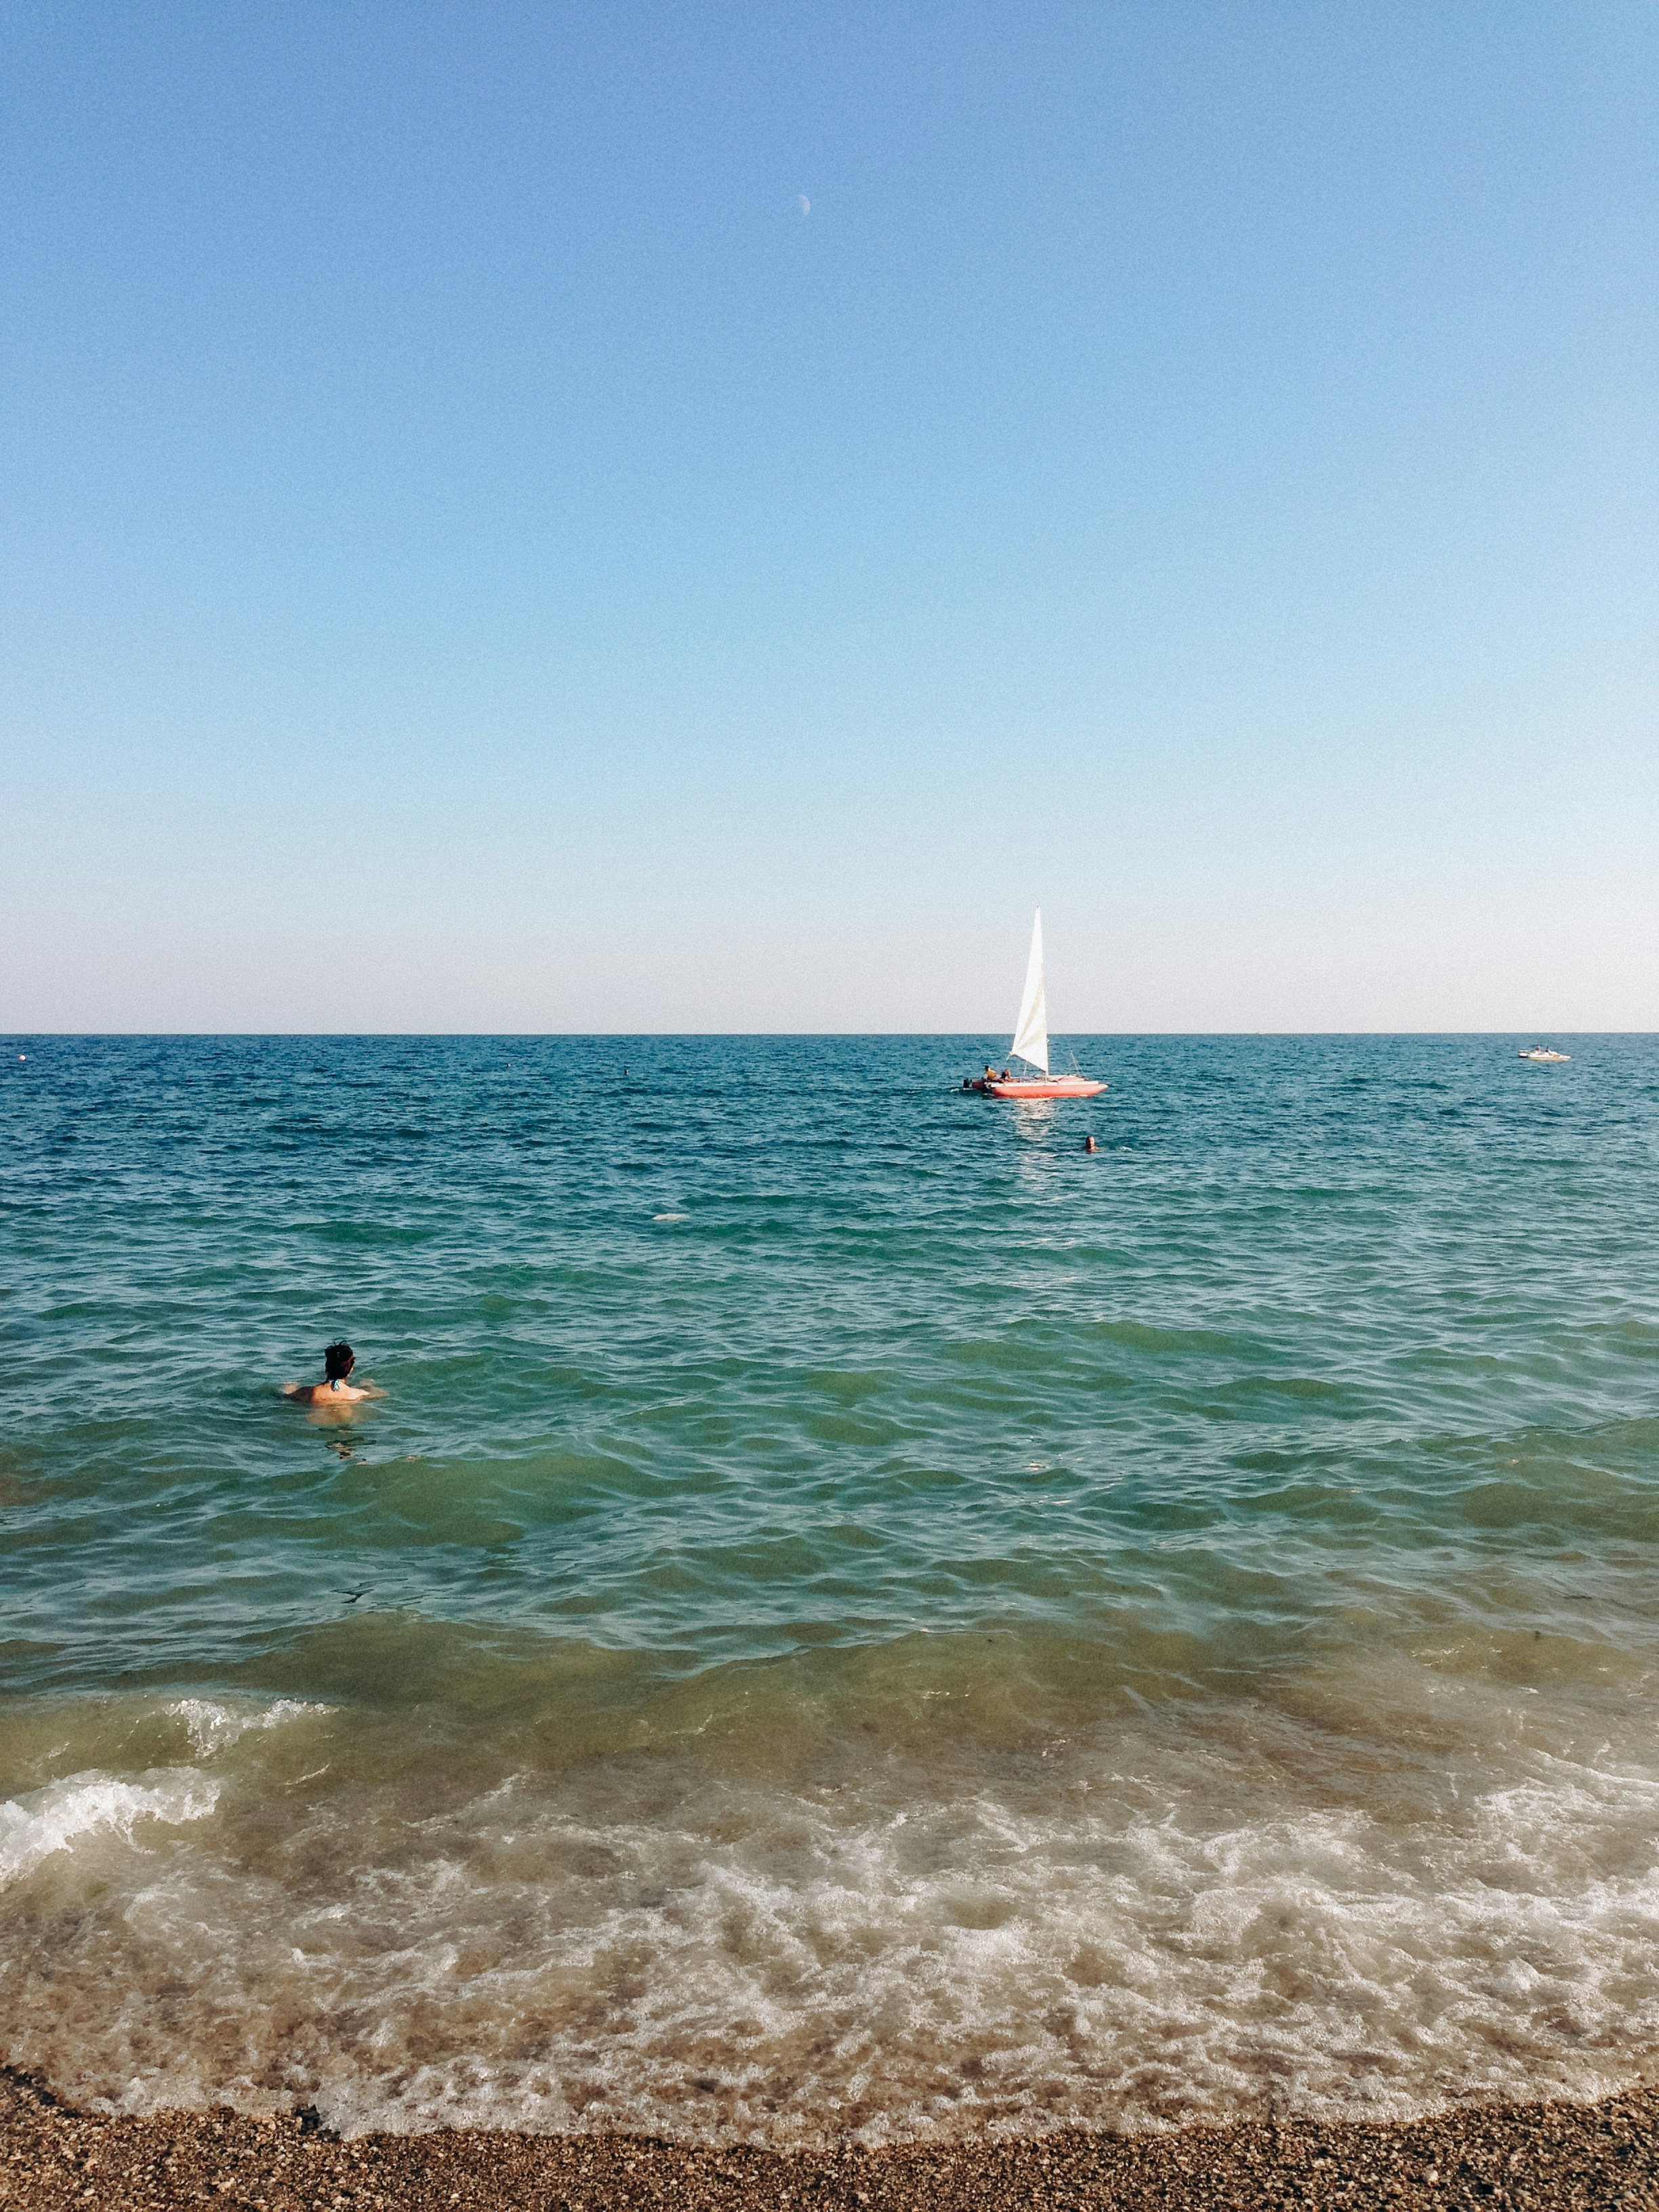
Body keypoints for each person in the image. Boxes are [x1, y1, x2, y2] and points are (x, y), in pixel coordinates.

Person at [283, 1341, 384, 1406]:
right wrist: (367, 1386)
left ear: (326, 1367)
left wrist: (288, 1388)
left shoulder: (309, 1392)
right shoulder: (356, 1394)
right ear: (351, 1369)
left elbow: (284, 1397)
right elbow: (382, 1395)